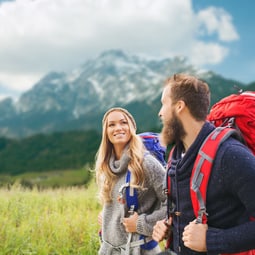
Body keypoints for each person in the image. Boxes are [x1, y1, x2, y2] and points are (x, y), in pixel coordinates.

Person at [152, 73, 255, 254]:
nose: (160, 112)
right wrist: (169, 227)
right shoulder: (176, 156)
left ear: (179, 106)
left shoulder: (230, 156)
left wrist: (213, 240)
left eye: (163, 103)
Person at [95, 107, 166, 255]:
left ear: (132, 128)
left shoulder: (146, 164)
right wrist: (108, 215)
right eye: (111, 124)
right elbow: (118, 203)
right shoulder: (107, 167)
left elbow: (174, 202)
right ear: (106, 132)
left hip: (139, 250)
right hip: (109, 250)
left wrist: (142, 223)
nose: (118, 128)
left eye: (123, 122)